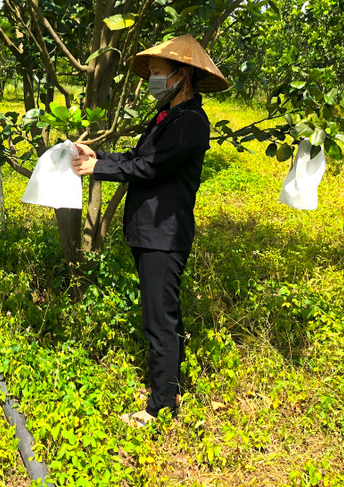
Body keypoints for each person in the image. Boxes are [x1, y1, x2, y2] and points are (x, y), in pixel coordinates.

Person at [71, 34, 229, 427]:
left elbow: (149, 168)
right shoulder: (167, 116)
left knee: (160, 319)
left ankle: (160, 406)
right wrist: (100, 156)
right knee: (161, 315)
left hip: (165, 233)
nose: (152, 81)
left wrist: (99, 170)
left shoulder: (190, 122)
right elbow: (138, 157)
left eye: (159, 74)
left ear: (183, 76)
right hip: (150, 230)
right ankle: (169, 386)